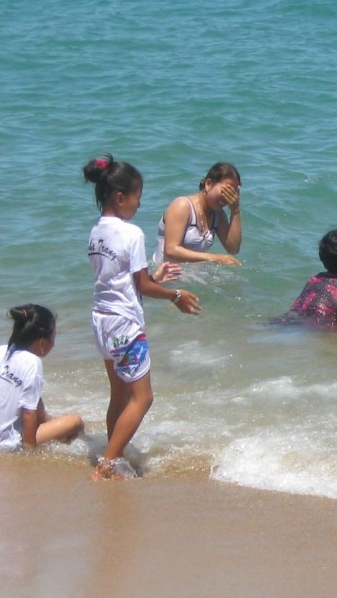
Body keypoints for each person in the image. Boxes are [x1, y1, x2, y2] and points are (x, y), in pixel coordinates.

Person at [84, 154, 202, 480]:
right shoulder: (132, 233)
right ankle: (106, 464)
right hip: (124, 324)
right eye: (137, 196)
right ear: (120, 197)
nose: (139, 203)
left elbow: (122, 282)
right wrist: (174, 294)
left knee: (119, 395)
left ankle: (114, 452)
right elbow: (140, 286)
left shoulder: (96, 233)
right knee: (143, 397)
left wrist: (156, 279)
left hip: (101, 320)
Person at [0, 304, 84, 450]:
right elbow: (28, 413)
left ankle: (50, 425)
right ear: (42, 342)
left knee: (34, 399)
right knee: (75, 422)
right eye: (53, 337)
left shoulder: (1, 351)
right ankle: (76, 443)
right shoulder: (33, 362)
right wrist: (29, 453)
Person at [152, 162, 242, 267]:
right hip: (164, 276)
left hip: (191, 275)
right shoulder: (182, 206)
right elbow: (171, 250)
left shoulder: (218, 214)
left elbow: (233, 249)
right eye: (226, 190)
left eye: (233, 193)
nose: (228, 197)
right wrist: (214, 258)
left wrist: (235, 211)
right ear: (208, 184)